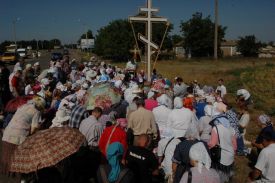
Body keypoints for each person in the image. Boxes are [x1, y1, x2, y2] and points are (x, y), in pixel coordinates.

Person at [0, 96, 45, 175]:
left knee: (7, 155)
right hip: (18, 136)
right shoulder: (36, 112)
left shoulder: (22, 106)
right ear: (40, 106)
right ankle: (17, 175)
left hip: (7, 133)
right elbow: (34, 129)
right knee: (17, 157)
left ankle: (6, 172)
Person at [208, 112, 236, 183]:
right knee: (227, 174)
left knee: (219, 176)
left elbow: (212, 144)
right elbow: (235, 146)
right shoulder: (232, 129)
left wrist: (206, 145)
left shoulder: (216, 128)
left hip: (221, 156)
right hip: (231, 156)